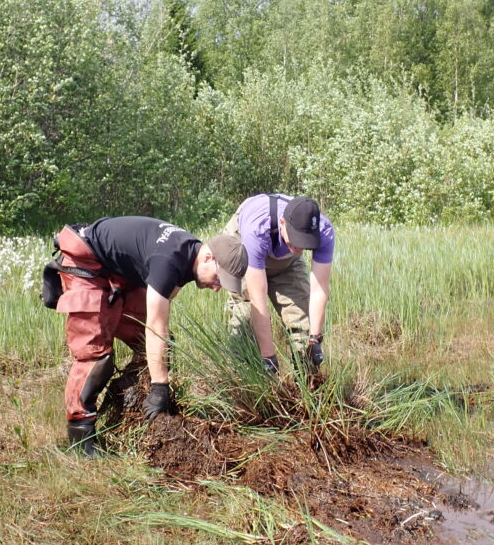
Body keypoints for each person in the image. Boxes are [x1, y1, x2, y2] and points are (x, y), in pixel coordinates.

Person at [54, 216, 248, 456]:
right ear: (209, 257)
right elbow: (156, 326)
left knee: (157, 348)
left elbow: (160, 318)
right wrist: (160, 388)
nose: (217, 287)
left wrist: (159, 375)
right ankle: (80, 439)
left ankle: (128, 405)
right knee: (95, 357)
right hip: (86, 261)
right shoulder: (168, 260)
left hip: (114, 271)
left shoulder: (190, 254)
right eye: (219, 279)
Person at [217, 194, 334, 374]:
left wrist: (315, 339)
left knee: (302, 317)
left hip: (286, 261)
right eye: (296, 239)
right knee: (245, 316)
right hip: (243, 247)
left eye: (305, 243)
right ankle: (243, 380)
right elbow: (258, 300)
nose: (300, 247)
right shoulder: (257, 230)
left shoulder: (324, 232)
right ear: (282, 223)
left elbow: (319, 288)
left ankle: (307, 381)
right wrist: (268, 357)